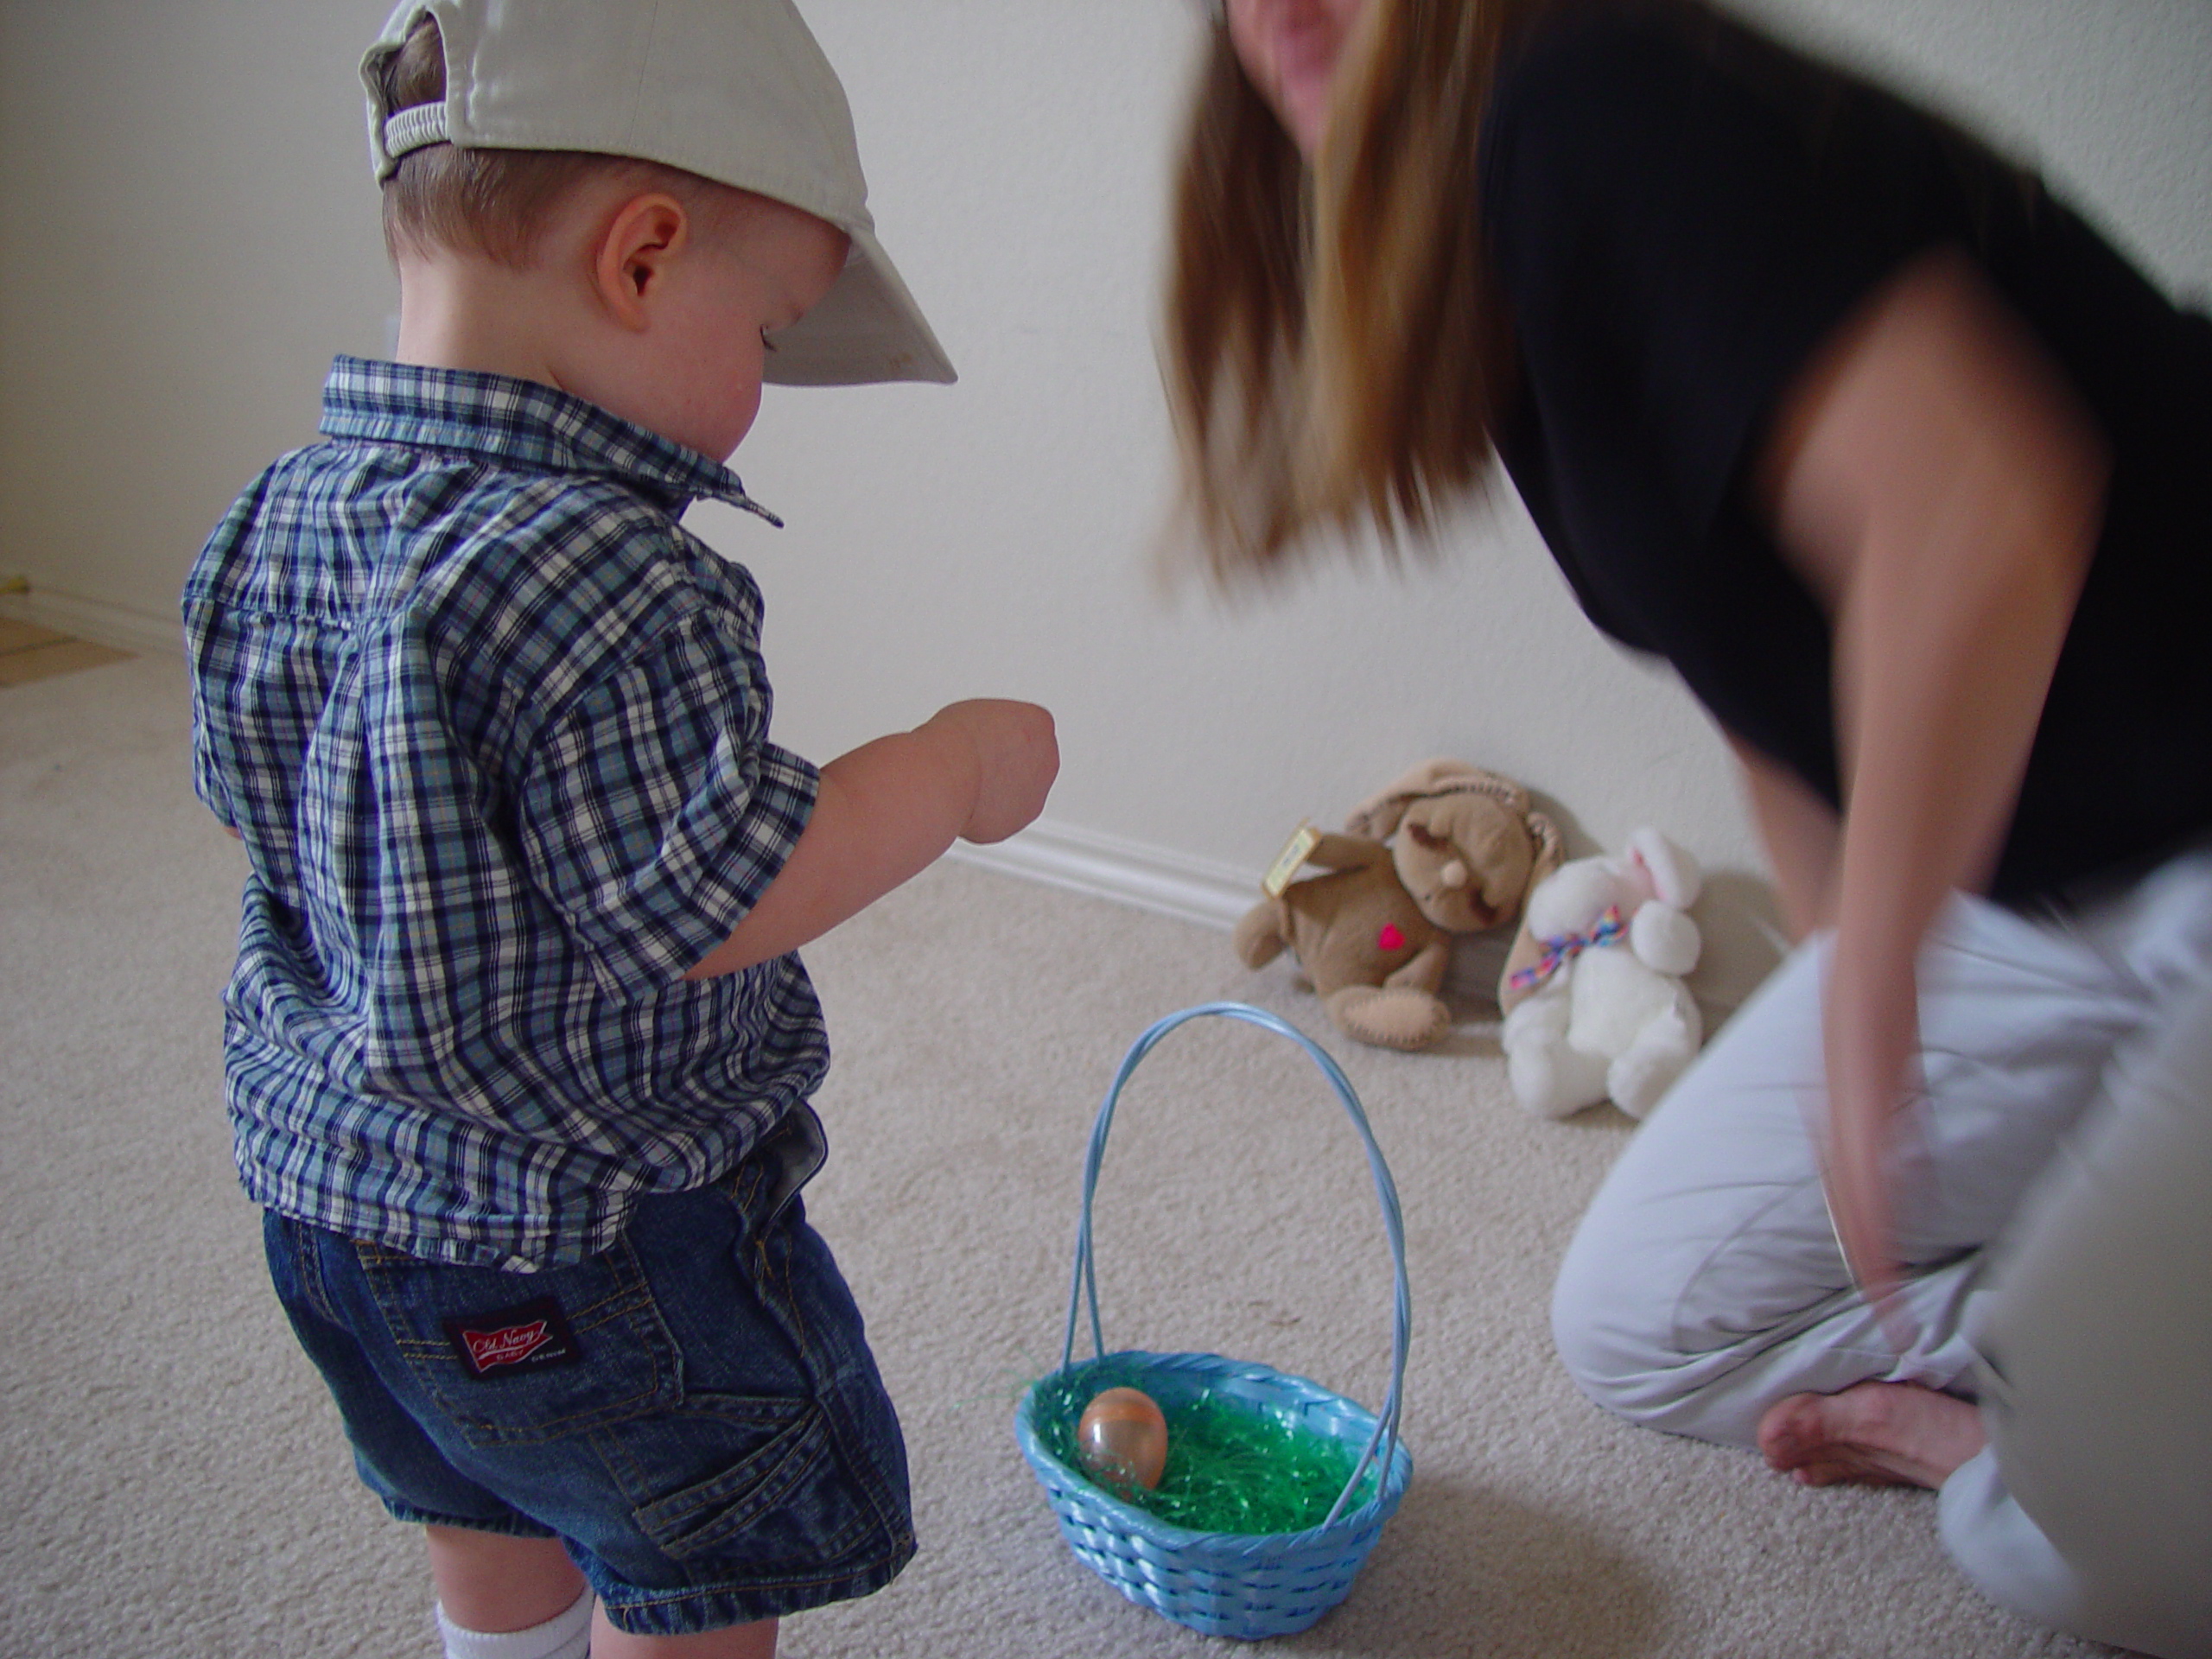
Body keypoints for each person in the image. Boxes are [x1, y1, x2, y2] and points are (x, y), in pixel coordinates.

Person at [1165, 1, 2211, 1653]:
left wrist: (1872, 1033)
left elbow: (1973, 521)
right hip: (2025, 890)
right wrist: (1856, 966)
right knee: (1640, 1328)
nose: (1274, 8)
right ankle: (2072, 1366)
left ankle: (2051, 1423)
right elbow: (1755, 667)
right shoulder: (1487, 244)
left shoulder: (1590, 98)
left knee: (2113, 1566)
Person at [181, 4, 1058, 1656]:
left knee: (484, 1503)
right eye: (774, 330)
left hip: (333, 1214)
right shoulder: (608, 569)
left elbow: (261, 809)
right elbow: (714, 896)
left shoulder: (272, 514)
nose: (761, 391)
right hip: (578, 1243)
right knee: (689, 1569)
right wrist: (941, 771)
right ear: (644, 258)